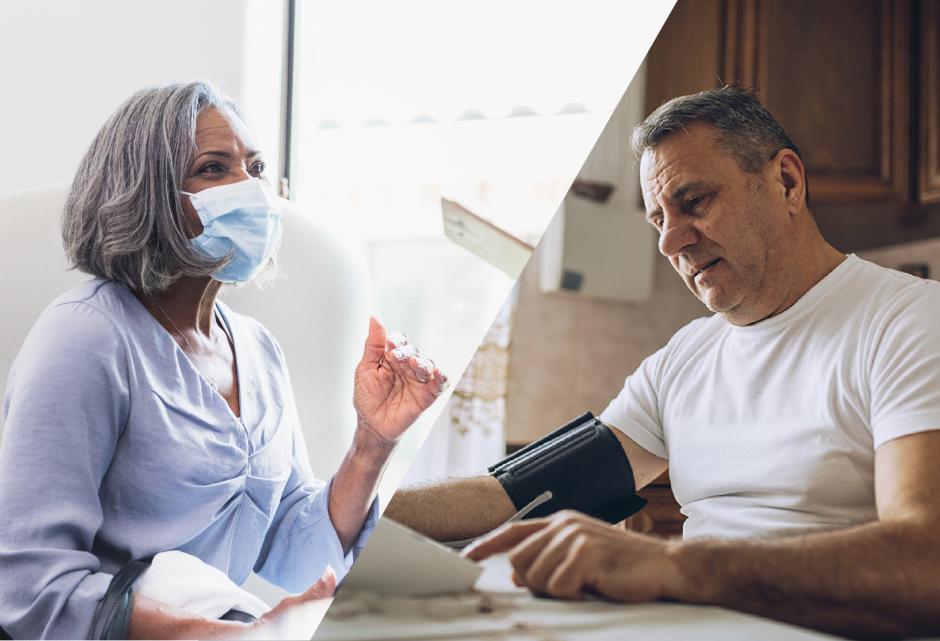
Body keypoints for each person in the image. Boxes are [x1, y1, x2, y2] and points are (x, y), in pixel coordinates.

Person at [387, 87, 940, 639]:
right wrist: (361, 513)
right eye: (658, 220)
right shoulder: (685, 357)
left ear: (787, 183)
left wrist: (673, 565)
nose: (671, 241)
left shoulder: (910, 322)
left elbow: (925, 561)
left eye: (695, 201)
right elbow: (523, 490)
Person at [0, 80, 447, 640]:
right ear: (148, 194)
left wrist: (373, 441)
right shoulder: (86, 337)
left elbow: (292, 553)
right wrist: (236, 634)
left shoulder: (257, 348)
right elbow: (30, 590)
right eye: (214, 168)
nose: (250, 189)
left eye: (255, 168)